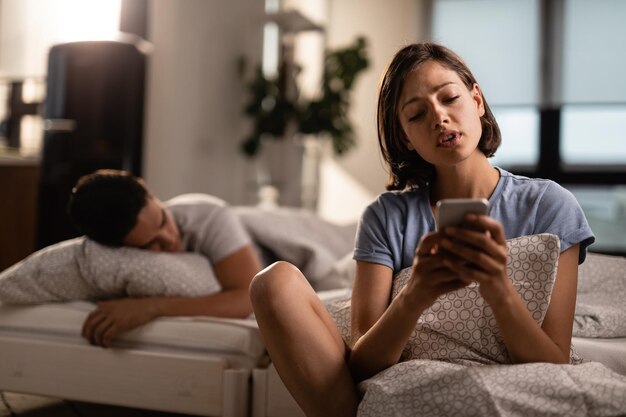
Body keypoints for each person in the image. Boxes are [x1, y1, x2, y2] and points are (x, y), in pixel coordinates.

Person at [249, 42, 595, 417]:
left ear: (477, 100)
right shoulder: (386, 216)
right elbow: (361, 364)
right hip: (402, 377)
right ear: (405, 139)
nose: (439, 118)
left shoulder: (549, 205)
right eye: (416, 115)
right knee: (272, 281)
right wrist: (415, 295)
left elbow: (554, 366)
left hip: (497, 377)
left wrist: (498, 289)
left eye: (450, 98)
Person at [67, 169, 262, 348]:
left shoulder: (209, 218)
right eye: (150, 244)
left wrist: (151, 307)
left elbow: (249, 298)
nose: (170, 238)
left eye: (163, 219)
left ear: (151, 193)